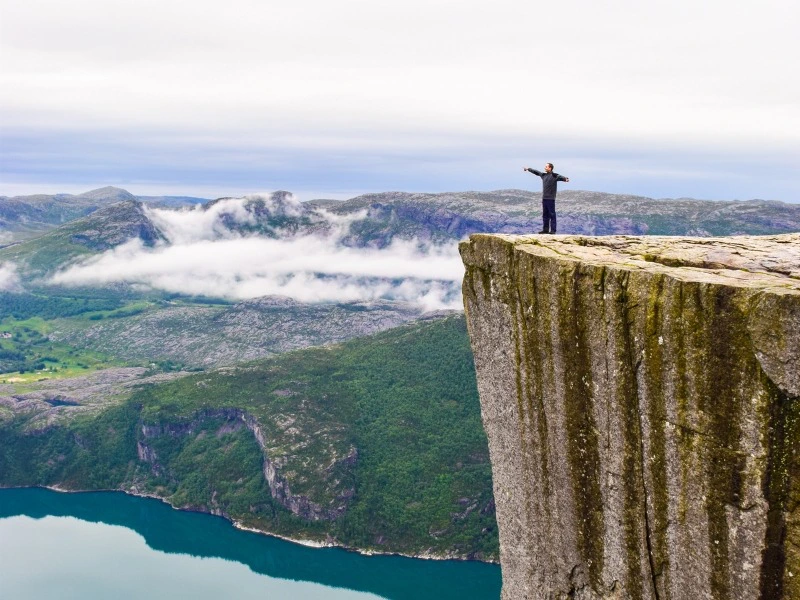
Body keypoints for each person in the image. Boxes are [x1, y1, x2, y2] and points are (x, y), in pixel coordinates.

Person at [523, 163, 569, 234]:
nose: (545, 168)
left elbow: (561, 177)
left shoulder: (554, 175)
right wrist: (528, 169)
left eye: (546, 167)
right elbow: (536, 172)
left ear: (550, 168)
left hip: (551, 199)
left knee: (552, 215)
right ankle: (545, 230)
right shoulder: (543, 175)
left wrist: (565, 179)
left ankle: (553, 230)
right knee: (545, 215)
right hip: (544, 198)